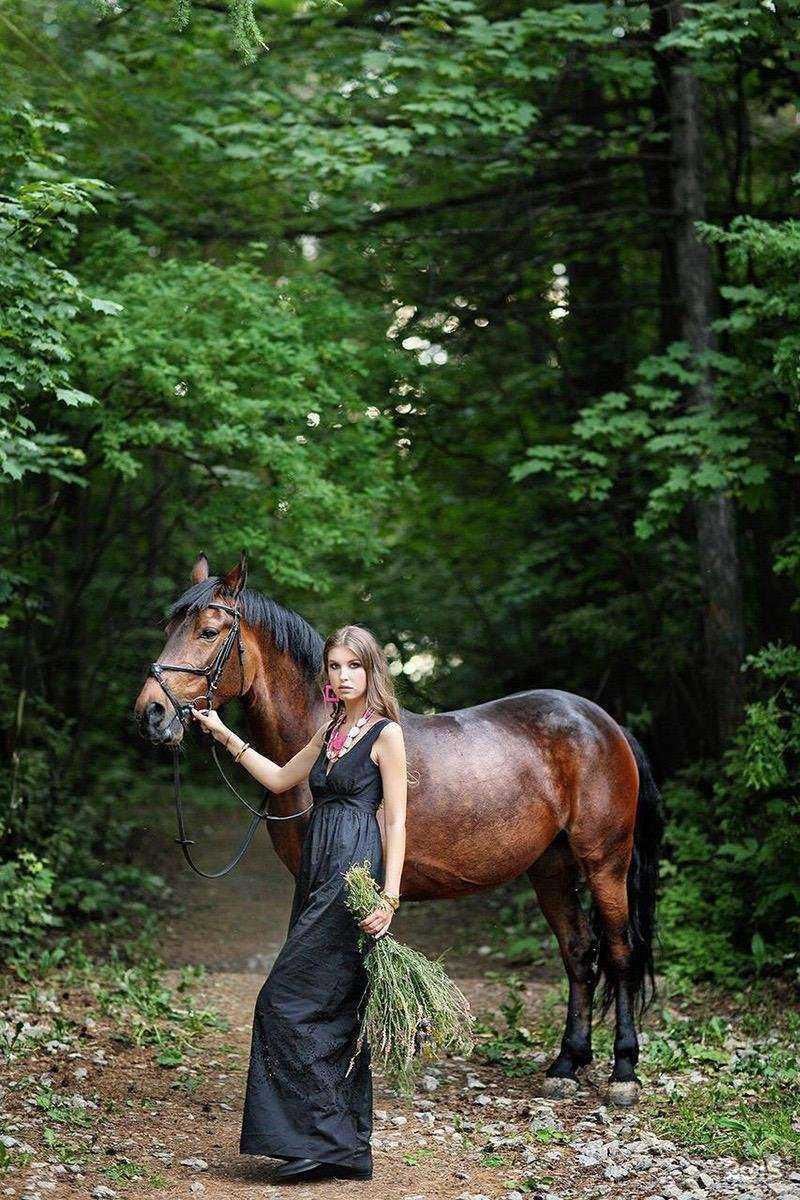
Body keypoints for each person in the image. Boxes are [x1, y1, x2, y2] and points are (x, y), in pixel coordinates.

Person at [190, 624, 407, 1183]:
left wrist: (389, 896)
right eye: (333, 667)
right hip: (317, 869)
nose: (341, 676)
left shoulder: (386, 735)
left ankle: (322, 1140)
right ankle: (333, 1144)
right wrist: (221, 733)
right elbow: (282, 777)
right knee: (327, 1005)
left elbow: (396, 819)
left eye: (352, 666)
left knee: (283, 999)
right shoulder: (330, 728)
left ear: (371, 671)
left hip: (351, 874)